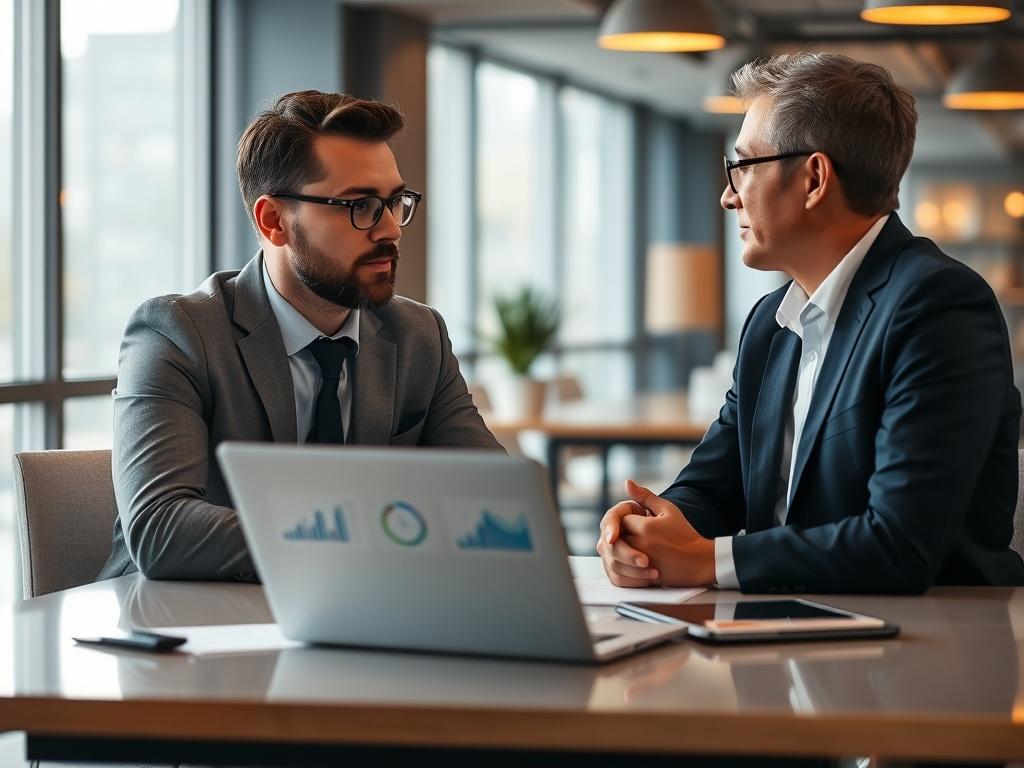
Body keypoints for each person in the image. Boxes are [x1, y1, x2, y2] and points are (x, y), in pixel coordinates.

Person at [599, 53, 1024, 594]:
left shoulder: (938, 306)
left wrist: (709, 562)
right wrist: (650, 531)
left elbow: (899, 544)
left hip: (922, 648)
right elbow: (713, 489)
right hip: (785, 637)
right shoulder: (769, 326)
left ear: (814, 178)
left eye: (743, 167)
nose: (728, 196)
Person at [99, 91, 502, 582]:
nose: (392, 229)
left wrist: (615, 533)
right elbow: (161, 528)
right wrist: (370, 543)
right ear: (274, 222)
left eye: (396, 201)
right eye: (361, 206)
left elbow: (494, 498)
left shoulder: (420, 335)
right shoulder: (178, 334)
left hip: (360, 623)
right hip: (181, 631)